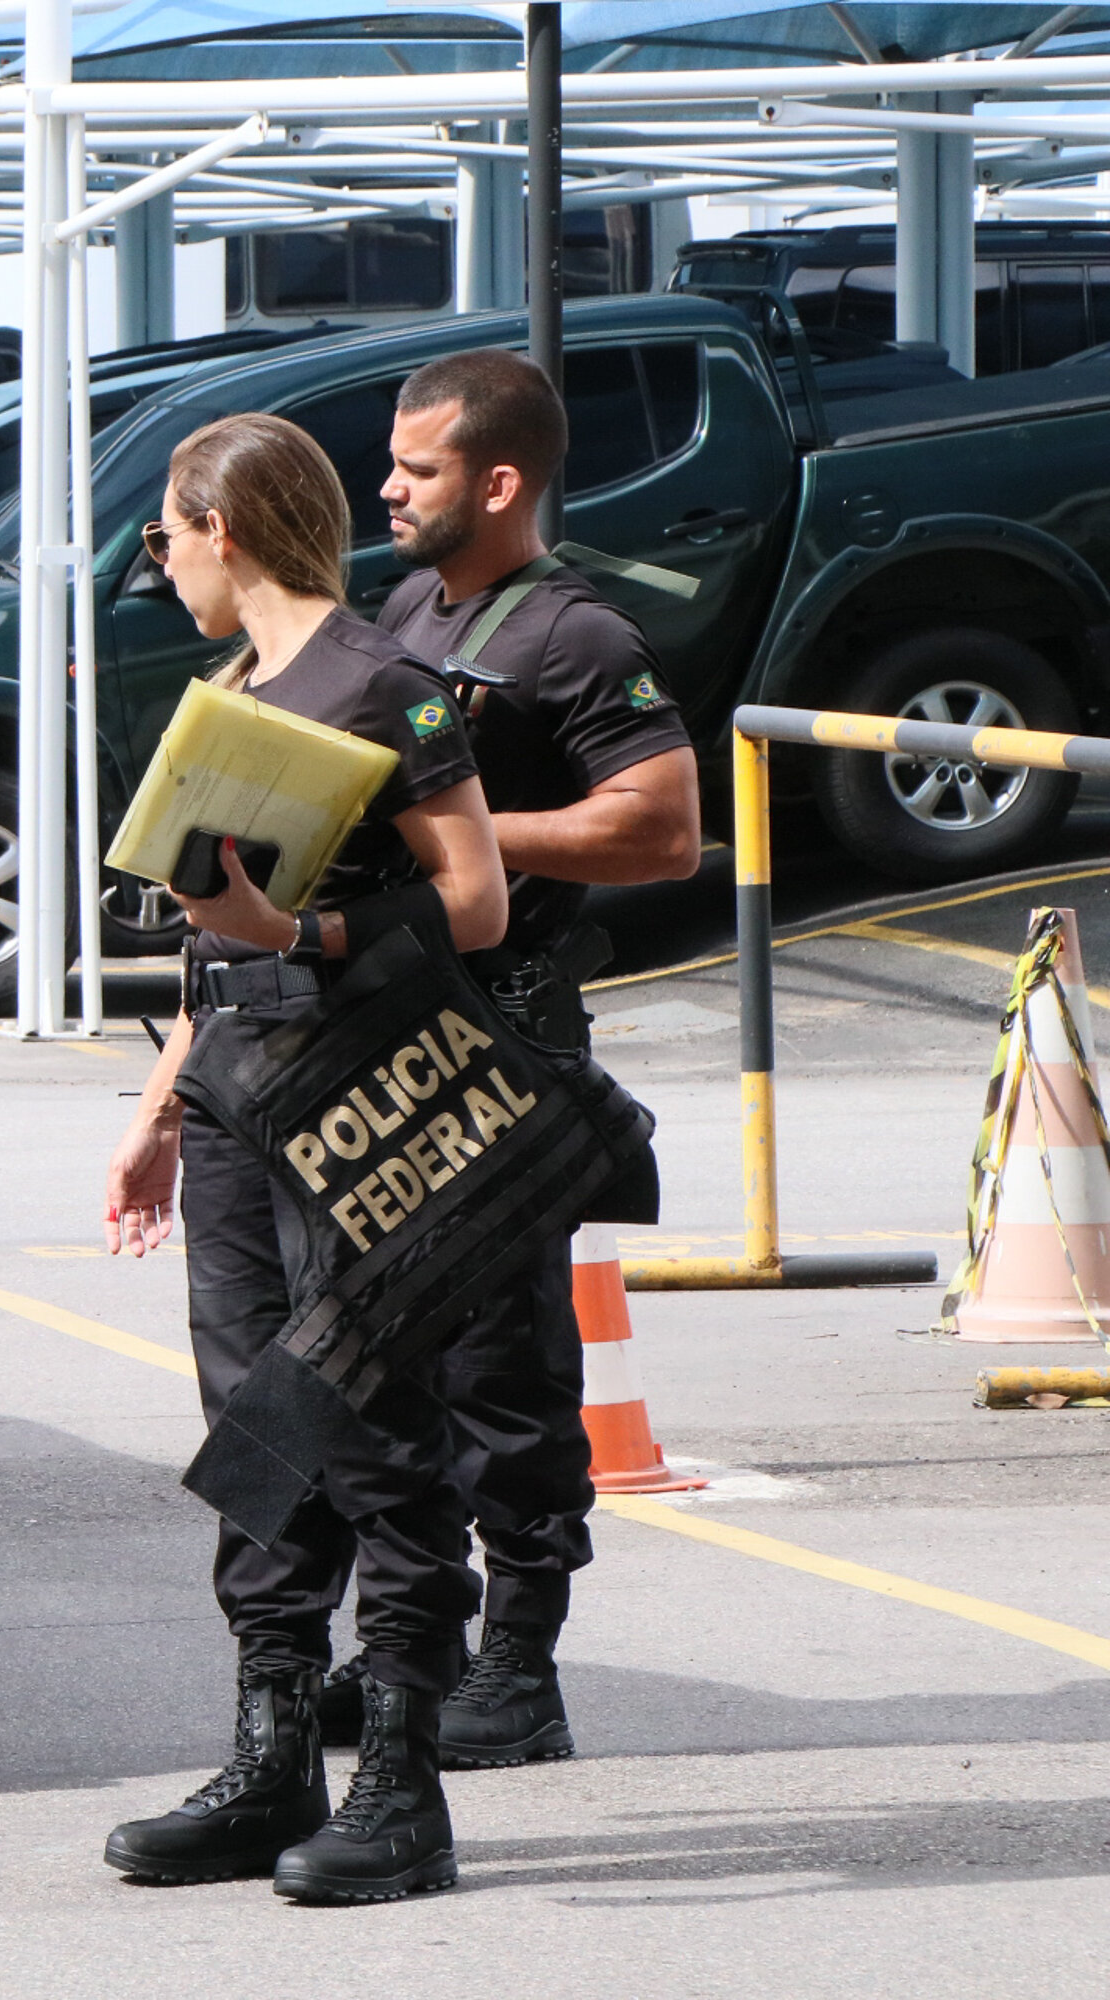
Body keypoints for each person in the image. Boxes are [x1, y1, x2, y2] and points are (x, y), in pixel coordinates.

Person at [97, 414, 508, 1905]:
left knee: (378, 1419)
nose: (163, 563)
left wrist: (306, 935)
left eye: (163, 535)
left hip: (358, 1096)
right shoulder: (232, 689)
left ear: (225, 525)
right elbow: (212, 953)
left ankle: (401, 1775)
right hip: (231, 1098)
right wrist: (157, 1112)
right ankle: (274, 1748)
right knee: (258, 1425)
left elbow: (477, 906)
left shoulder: (385, 685)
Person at [314, 347, 700, 1767]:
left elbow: (662, 830)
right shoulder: (415, 603)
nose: (388, 488)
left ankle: (520, 1670)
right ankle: (418, 1646)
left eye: (415, 470)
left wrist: (461, 844)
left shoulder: (576, 635)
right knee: (383, 1360)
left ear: (498, 480)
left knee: (503, 1363)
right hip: (394, 1032)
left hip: (506, 1041)